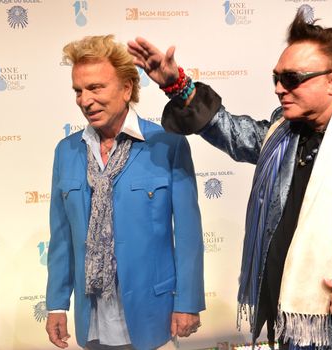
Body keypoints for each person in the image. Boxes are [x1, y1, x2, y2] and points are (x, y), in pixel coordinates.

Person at [127, 10, 332, 350]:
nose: (278, 88)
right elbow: (233, 132)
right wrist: (176, 85)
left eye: (291, 79)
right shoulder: (282, 133)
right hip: (295, 334)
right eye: (276, 78)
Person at [45, 35, 205, 350]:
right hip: (91, 320)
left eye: (95, 88)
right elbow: (62, 237)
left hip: (152, 318)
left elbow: (188, 235)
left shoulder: (167, 145)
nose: (84, 100)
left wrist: (187, 302)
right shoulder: (66, 151)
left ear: (127, 89)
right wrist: (56, 304)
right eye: (78, 90)